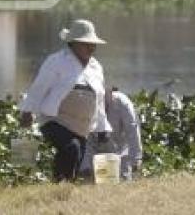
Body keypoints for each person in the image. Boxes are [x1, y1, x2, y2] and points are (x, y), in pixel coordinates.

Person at [19, 19, 111, 182]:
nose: (91, 48)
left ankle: (64, 192)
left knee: (75, 160)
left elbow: (99, 98)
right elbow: (39, 87)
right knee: (71, 149)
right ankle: (59, 186)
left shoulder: (96, 67)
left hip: (82, 126)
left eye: (93, 44)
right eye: (86, 44)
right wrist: (27, 111)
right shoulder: (57, 61)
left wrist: (102, 127)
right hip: (55, 119)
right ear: (73, 43)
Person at [80, 85, 143, 180]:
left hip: (121, 149)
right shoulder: (87, 105)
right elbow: (86, 138)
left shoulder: (122, 102)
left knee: (123, 181)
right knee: (94, 183)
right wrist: (85, 166)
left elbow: (132, 129)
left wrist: (136, 158)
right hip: (97, 154)